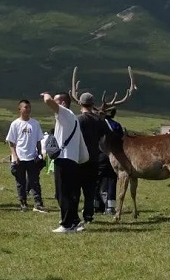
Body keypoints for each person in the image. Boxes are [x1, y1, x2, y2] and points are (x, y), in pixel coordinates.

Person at [42, 91, 88, 233]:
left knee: (62, 193)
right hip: (72, 159)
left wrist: (46, 95)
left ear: (62, 103)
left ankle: (66, 224)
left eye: (57, 101)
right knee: (71, 192)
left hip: (63, 158)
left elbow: (48, 101)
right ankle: (75, 221)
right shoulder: (72, 117)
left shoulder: (65, 113)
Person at [5, 100, 48, 213]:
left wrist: (40, 154)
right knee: (20, 182)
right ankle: (23, 202)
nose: (28, 109)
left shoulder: (35, 123)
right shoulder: (15, 124)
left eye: (29, 107)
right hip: (19, 157)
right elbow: (11, 142)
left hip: (32, 157)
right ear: (20, 109)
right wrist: (15, 156)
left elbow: (39, 140)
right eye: (25, 107)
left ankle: (38, 203)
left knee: (35, 181)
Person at [77, 92, 108, 224]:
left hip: (79, 158)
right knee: (90, 190)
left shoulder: (78, 119)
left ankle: (74, 215)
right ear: (92, 104)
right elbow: (104, 138)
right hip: (94, 159)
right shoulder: (99, 121)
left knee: (76, 189)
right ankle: (88, 215)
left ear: (80, 103)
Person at [98, 110, 122, 215]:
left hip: (99, 155)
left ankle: (96, 205)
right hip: (114, 155)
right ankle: (110, 207)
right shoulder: (116, 125)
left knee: (97, 180)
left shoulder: (98, 123)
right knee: (112, 179)